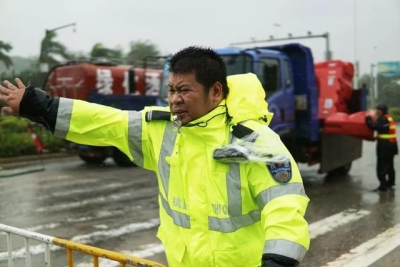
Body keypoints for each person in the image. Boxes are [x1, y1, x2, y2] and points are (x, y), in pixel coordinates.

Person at [0, 46, 310, 267]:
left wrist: (278, 261)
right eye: (171, 89)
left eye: (185, 90)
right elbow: (107, 123)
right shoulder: (163, 130)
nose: (174, 100)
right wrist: (39, 106)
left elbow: (284, 206)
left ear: (216, 92)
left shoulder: (255, 141)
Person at [366, 103, 398, 192]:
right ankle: (390, 183)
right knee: (389, 165)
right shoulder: (388, 117)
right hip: (391, 144)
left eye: (378, 110)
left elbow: (375, 127)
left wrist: (368, 119)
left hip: (385, 145)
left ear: (382, 111)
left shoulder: (383, 119)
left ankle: (383, 186)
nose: (376, 111)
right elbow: (385, 131)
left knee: (382, 165)